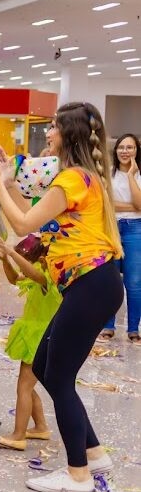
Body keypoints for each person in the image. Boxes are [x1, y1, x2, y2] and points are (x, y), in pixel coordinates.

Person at [0, 102, 119, 492]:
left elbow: (20, 225)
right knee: (47, 368)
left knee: (60, 378)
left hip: (91, 284)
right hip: (91, 286)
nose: (47, 133)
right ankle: (94, 452)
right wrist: (6, 181)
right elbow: (33, 212)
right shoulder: (77, 178)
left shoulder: (72, 179)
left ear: (66, 134)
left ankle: (78, 474)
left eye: (52, 127)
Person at [0, 234, 58, 451]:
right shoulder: (39, 273)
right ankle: (40, 427)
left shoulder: (50, 276)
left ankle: (18, 435)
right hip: (35, 334)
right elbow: (15, 279)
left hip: (41, 335)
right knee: (28, 387)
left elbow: (32, 273)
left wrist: (11, 253)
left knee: (24, 387)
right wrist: (5, 260)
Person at [99, 133, 141, 342]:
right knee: (111, 280)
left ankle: (133, 329)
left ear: (137, 151)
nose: (125, 151)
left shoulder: (139, 175)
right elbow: (107, 204)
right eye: (121, 147)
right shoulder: (108, 174)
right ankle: (108, 326)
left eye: (130, 147)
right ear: (115, 151)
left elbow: (140, 206)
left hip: (136, 229)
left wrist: (132, 176)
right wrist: (133, 205)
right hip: (112, 228)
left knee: (134, 282)